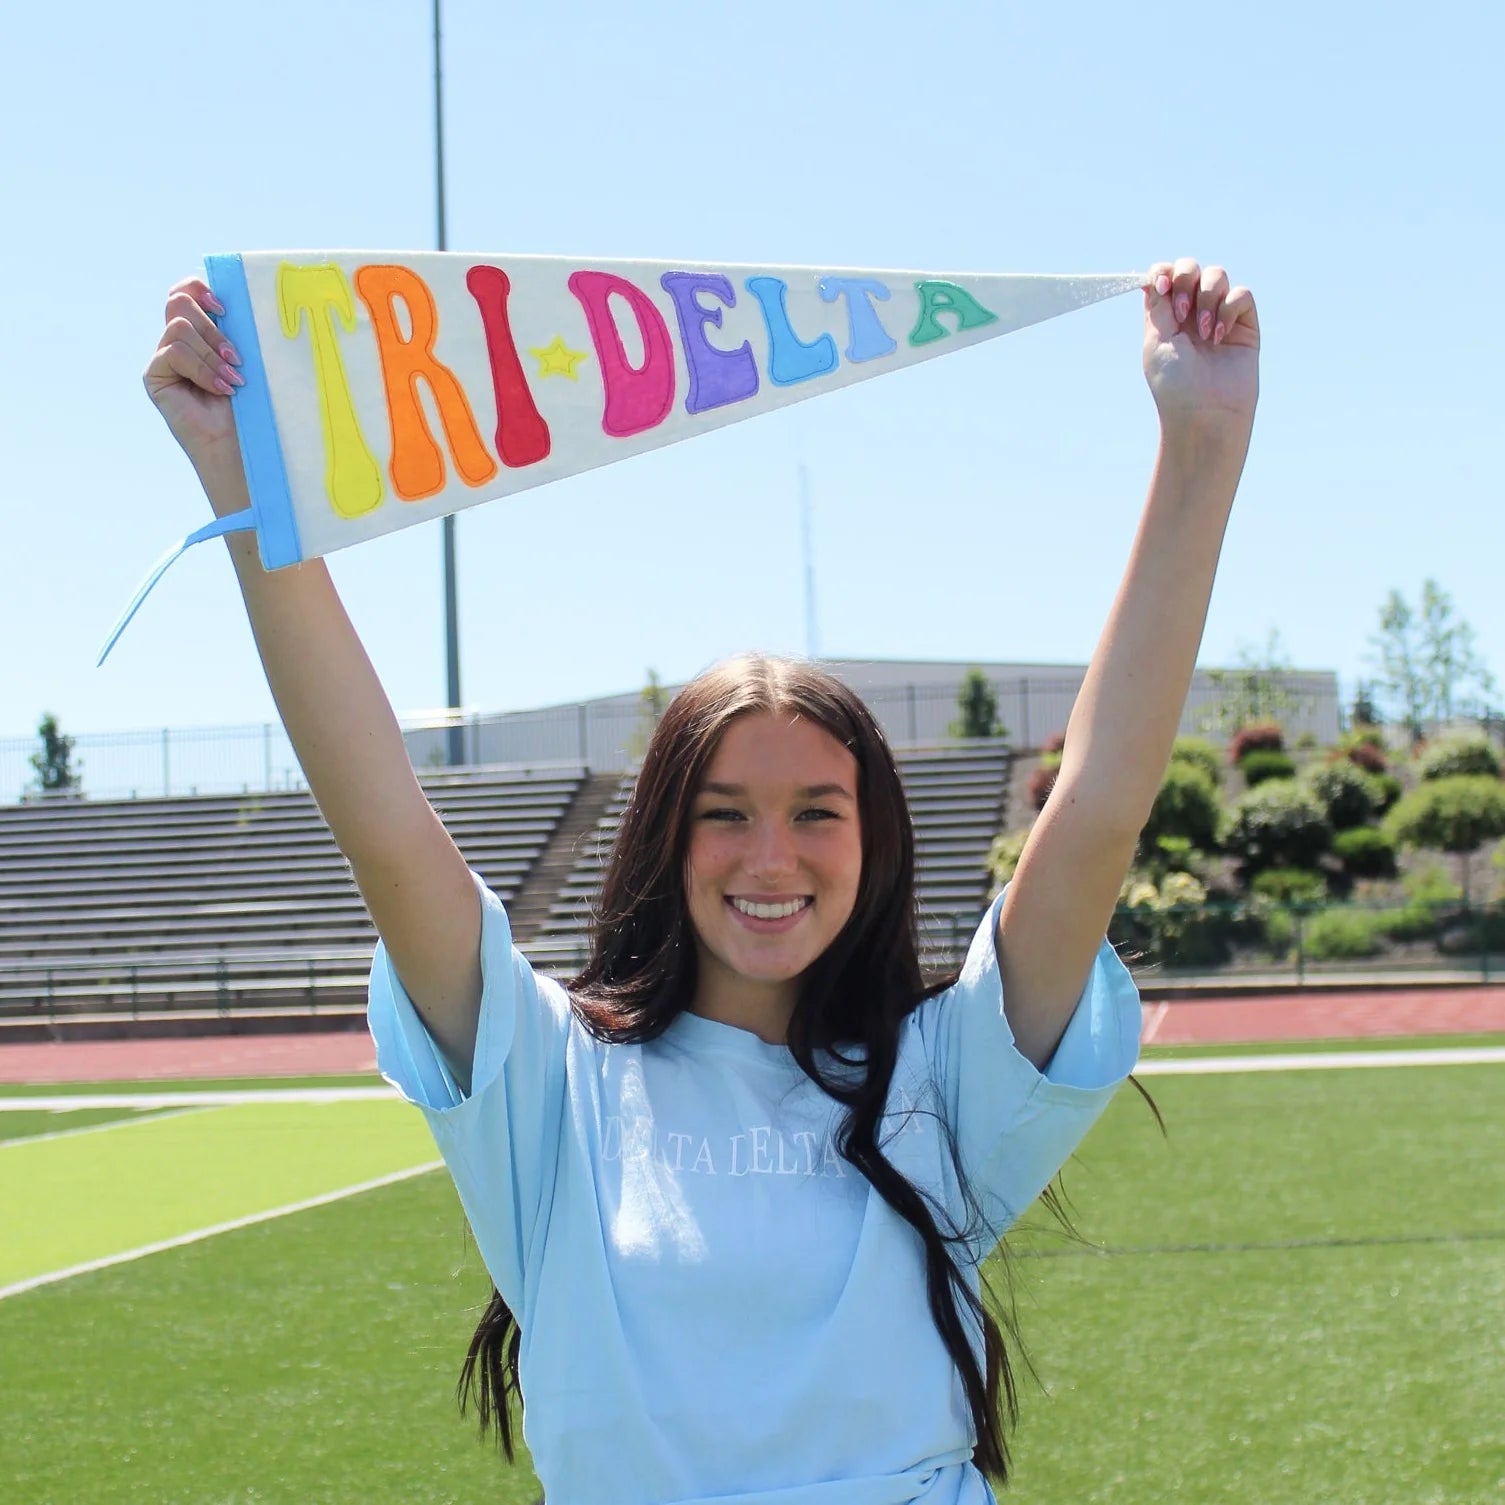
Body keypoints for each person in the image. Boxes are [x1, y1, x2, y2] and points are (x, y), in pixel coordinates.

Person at [145, 256, 1258, 1503]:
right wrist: (242, 483)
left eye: (813, 813)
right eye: (723, 813)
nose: (768, 856)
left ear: (872, 841)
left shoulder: (947, 1074)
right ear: (664, 836)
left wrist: (1201, 439)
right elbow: (386, 825)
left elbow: (1098, 802)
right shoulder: (549, 1082)